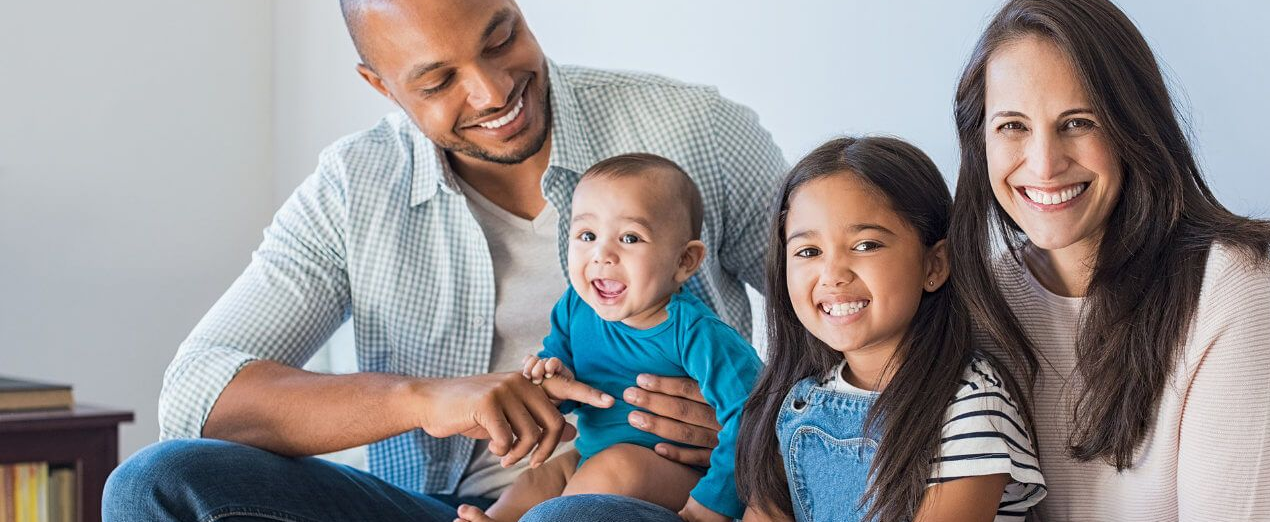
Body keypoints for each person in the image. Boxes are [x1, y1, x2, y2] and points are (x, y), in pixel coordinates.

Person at [101, 0, 785, 519]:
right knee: (153, 482)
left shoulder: (693, 132)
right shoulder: (355, 187)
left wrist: (759, 428)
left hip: (640, 497)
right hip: (447, 508)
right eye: (437, 82)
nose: (492, 93)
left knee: (584, 510)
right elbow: (196, 393)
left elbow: (850, 322)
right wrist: (423, 398)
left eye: (501, 37)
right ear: (382, 86)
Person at [948, 0, 1270, 519]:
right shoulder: (988, 301)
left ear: (1133, 129)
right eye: (1012, 126)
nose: (1044, 163)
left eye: (1078, 122)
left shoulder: (1232, 288)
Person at [736, 137, 1046, 522]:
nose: (832, 275)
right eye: (808, 252)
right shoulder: (800, 400)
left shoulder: (969, 400)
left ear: (934, 266)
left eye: (865, 245)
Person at [456, 154, 760, 522]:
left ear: (684, 261)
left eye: (630, 237)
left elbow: (753, 419)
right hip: (590, 457)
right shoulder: (574, 308)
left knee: (616, 467)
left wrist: (711, 506)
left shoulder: (698, 334)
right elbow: (561, 378)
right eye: (587, 235)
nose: (602, 254)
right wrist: (547, 379)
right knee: (542, 477)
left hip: (682, 476)